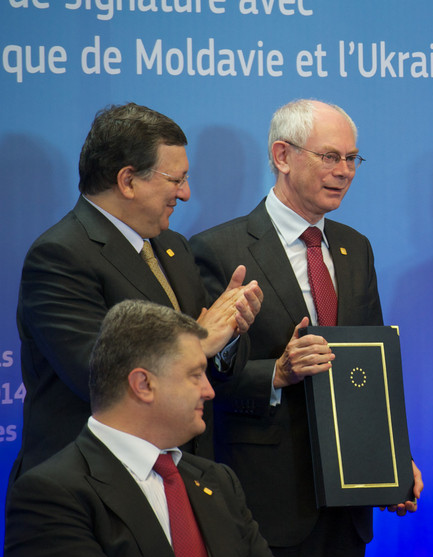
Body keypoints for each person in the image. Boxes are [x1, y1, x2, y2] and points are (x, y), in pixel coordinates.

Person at [190, 99, 422, 557]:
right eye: (330, 156)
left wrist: (392, 458)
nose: (345, 171)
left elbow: (371, 369)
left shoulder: (356, 248)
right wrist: (276, 373)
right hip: (269, 504)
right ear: (282, 156)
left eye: (352, 158)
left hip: (349, 500)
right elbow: (200, 376)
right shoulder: (219, 251)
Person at [13, 103, 262, 482]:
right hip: (95, 485)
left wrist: (229, 333)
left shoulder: (174, 247)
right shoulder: (60, 255)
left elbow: (213, 365)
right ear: (128, 180)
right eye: (176, 180)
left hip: (180, 474)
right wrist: (199, 341)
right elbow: (96, 375)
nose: (186, 193)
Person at [4, 300, 315, 557]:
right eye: (195, 375)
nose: (209, 391)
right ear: (143, 385)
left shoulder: (217, 481)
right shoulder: (51, 496)